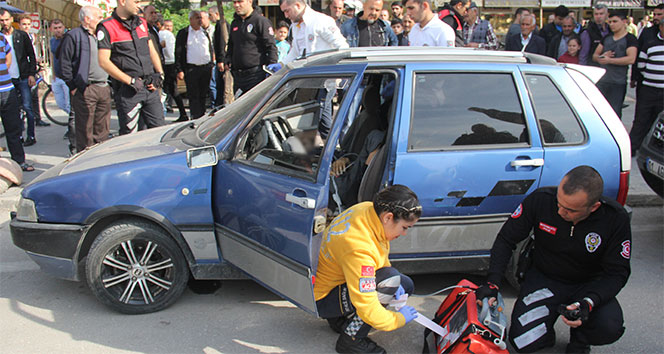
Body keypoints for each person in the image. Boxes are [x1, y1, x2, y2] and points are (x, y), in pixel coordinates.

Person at [478, 166, 630, 353]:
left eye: (570, 210)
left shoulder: (614, 219)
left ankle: (580, 340)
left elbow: (617, 273)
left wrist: (589, 301)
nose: (560, 212)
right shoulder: (541, 200)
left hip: (588, 284)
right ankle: (545, 331)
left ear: (593, 207)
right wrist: (493, 283)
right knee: (522, 342)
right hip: (545, 278)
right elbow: (506, 239)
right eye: (559, 203)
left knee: (608, 326)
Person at [315, 184, 421, 353]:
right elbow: (368, 307)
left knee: (404, 283)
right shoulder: (359, 249)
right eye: (404, 227)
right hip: (324, 298)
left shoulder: (367, 209)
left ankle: (339, 320)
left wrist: (392, 281)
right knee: (390, 281)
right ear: (388, 217)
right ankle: (351, 340)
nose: (404, 234)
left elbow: (378, 256)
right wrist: (398, 319)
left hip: (334, 285)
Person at [97, 0, 165, 135]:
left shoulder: (142, 22)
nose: (139, 5)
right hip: (128, 90)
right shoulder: (107, 26)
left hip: (149, 87)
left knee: (159, 132)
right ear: (122, 1)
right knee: (129, 136)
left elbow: (151, 49)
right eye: (136, 1)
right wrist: (130, 81)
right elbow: (103, 61)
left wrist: (160, 74)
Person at [59, 6, 112, 153]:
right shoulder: (74, 36)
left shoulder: (102, 35)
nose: (102, 20)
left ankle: (101, 157)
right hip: (85, 88)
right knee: (85, 129)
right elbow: (64, 64)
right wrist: (74, 87)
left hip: (104, 87)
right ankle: (86, 160)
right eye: (99, 17)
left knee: (103, 129)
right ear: (87, 19)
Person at [0, 9, 39, 147]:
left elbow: (31, 56)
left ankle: (31, 135)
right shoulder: (0, 37)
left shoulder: (21, 35)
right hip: (7, 80)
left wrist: (31, 74)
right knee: (14, 110)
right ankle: (18, 136)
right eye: (1, 21)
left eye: (6, 19)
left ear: (12, 20)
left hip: (22, 76)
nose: (4, 23)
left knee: (28, 107)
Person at [225, 0, 277, 96]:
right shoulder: (235, 23)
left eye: (240, 2)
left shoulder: (260, 21)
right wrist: (228, 58)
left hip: (255, 75)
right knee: (240, 107)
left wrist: (271, 70)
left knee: (256, 108)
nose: (236, 5)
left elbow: (271, 47)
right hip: (238, 76)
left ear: (250, 1)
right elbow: (231, 44)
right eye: (234, 2)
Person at [593, 11, 637, 119]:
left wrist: (610, 61)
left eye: (615, 21)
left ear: (624, 22)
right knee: (598, 111)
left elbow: (631, 59)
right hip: (603, 81)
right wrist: (602, 57)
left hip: (618, 82)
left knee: (615, 113)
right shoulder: (607, 38)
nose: (612, 24)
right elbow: (595, 56)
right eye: (610, 22)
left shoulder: (630, 39)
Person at [628, 20, 663, 156]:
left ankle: (657, 149)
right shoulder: (650, 44)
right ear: (660, 27)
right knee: (641, 119)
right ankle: (633, 147)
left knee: (660, 123)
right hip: (649, 89)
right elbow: (641, 65)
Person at [279, 0, 349, 65]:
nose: (286, 15)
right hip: (307, 73)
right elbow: (296, 51)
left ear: (298, 5)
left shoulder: (321, 21)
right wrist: (281, 64)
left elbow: (342, 47)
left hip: (324, 73)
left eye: (287, 11)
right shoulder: (295, 25)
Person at [0, 30, 31, 171]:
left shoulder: (1, 38)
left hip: (7, 89)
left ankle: (19, 162)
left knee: (14, 127)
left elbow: (8, 55)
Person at [175, 11, 214, 119]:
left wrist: (211, 64)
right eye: (197, 18)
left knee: (203, 94)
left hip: (205, 67)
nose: (200, 20)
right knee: (193, 94)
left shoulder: (204, 32)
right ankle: (195, 116)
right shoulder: (184, 33)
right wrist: (179, 69)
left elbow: (209, 48)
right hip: (191, 69)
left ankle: (202, 115)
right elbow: (178, 52)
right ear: (191, 19)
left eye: (201, 18)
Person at [17, 15, 50, 129]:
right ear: (19, 25)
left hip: (33, 69)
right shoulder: (18, 37)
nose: (26, 27)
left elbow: (33, 54)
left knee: (34, 96)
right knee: (23, 101)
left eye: (28, 24)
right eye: (23, 24)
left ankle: (38, 118)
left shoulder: (32, 37)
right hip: (23, 72)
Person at [48, 18, 75, 153]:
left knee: (70, 105)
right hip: (57, 77)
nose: (58, 30)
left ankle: (71, 128)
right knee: (61, 103)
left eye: (60, 27)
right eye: (55, 27)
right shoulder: (52, 41)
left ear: (64, 27)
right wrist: (52, 73)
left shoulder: (68, 39)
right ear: (51, 29)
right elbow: (53, 57)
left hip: (66, 77)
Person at [159, 19, 187, 122]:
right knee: (173, 89)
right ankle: (182, 112)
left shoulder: (161, 34)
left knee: (164, 90)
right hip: (171, 63)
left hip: (166, 64)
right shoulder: (170, 35)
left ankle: (163, 112)